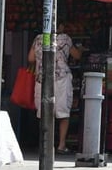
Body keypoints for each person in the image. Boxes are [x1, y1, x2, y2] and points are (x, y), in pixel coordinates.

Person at [28, 26, 83, 154]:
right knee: (63, 112)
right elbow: (77, 55)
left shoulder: (39, 38)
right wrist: (80, 49)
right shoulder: (65, 38)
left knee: (44, 112)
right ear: (62, 26)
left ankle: (46, 144)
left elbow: (30, 58)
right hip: (61, 79)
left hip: (42, 80)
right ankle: (61, 145)